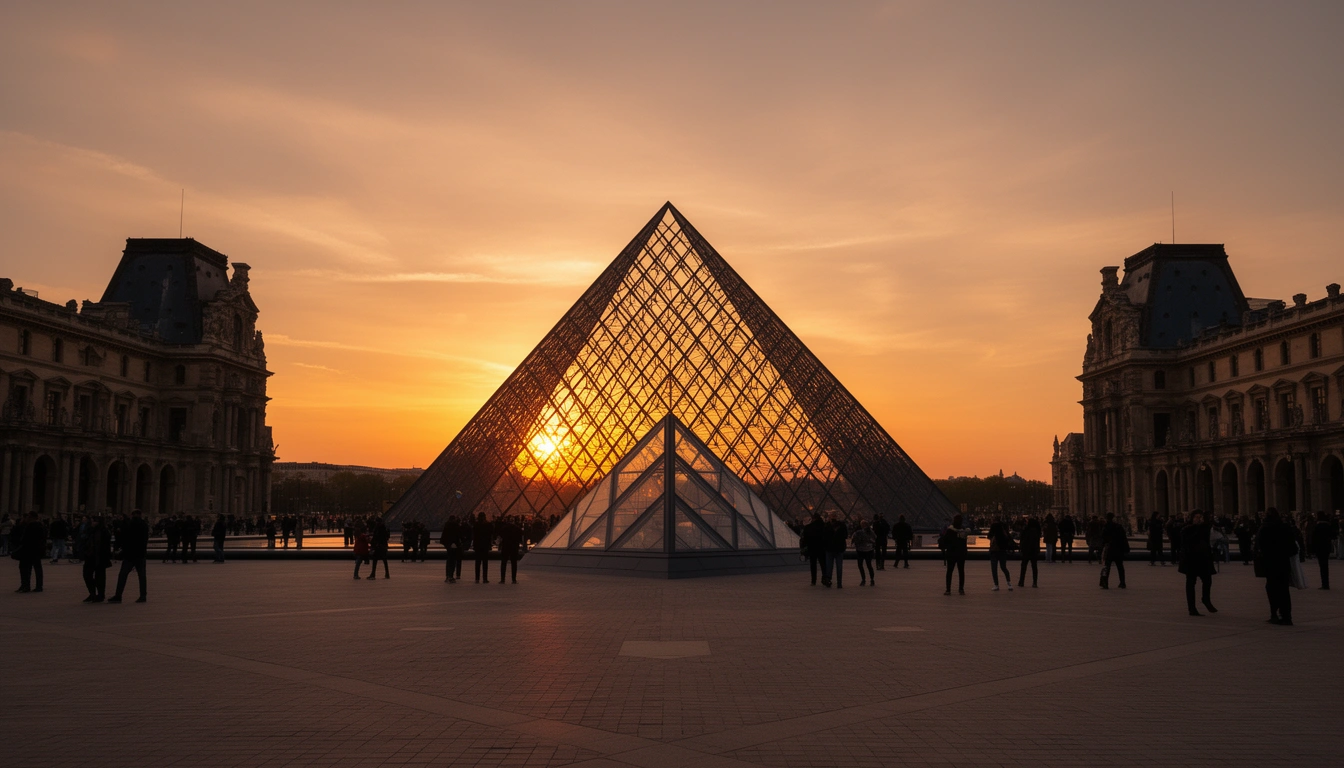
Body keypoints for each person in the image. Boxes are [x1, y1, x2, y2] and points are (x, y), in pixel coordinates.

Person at [1256, 508, 1298, 625]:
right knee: (1284, 590)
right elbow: (1293, 548)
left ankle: (1274, 614)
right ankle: (1286, 616)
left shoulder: (1264, 528)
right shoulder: (1285, 527)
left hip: (1270, 564)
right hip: (1283, 563)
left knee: (1271, 589)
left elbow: (1259, 547)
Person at [1179, 511, 1217, 616]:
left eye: (1200, 517)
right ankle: (1192, 607)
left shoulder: (1204, 528)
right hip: (1191, 559)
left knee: (1207, 580)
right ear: (1191, 518)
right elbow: (1185, 542)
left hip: (1203, 559)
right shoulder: (1186, 529)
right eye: (1196, 517)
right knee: (1191, 583)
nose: (1198, 519)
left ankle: (1206, 599)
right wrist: (1196, 528)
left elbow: (1209, 527)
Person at [109, 509, 149, 603]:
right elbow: (145, 540)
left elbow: (124, 538)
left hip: (129, 555)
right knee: (142, 576)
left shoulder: (129, 524)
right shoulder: (144, 525)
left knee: (122, 575)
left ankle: (118, 595)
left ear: (132, 515)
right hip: (140, 554)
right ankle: (143, 596)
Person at [13, 511, 45, 593]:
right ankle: (39, 586)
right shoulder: (41, 526)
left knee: (25, 568)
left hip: (28, 550)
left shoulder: (30, 526)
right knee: (37, 568)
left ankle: (25, 585)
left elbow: (25, 539)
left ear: (31, 517)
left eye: (28, 516)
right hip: (37, 550)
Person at [82, 516, 112, 602]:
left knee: (100, 577)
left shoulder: (104, 531)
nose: (93, 523)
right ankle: (92, 593)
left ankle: (100, 594)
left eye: (94, 521)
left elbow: (105, 546)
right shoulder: (90, 530)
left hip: (100, 557)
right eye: (92, 521)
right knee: (87, 575)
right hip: (90, 556)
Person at [1099, 513, 1128, 589]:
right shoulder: (1118, 526)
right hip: (1118, 548)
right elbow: (1123, 538)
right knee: (1120, 566)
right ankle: (1122, 582)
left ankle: (1105, 583)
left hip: (1109, 549)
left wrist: (1102, 548)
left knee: (1106, 567)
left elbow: (1103, 538)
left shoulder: (1106, 527)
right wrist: (1125, 548)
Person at [942, 515, 969, 595]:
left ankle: (948, 589)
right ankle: (961, 589)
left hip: (951, 553)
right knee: (961, 571)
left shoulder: (950, 530)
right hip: (961, 553)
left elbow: (945, 541)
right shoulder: (963, 531)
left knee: (949, 571)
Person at [1311, 511, 1337, 589]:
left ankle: (1324, 584)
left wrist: (1313, 549)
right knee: (1325, 565)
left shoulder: (1317, 526)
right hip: (1327, 547)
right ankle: (1326, 583)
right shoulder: (1328, 525)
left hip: (1319, 547)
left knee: (1322, 566)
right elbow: (1333, 535)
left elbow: (1314, 538)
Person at [987, 516, 1014, 591]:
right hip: (1002, 550)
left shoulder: (993, 528)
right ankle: (1009, 583)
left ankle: (996, 585)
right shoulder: (1003, 528)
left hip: (994, 550)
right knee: (1003, 567)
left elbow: (989, 536)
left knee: (994, 569)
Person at [802, 513, 827, 586]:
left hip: (812, 548)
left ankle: (813, 581)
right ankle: (824, 578)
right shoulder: (824, 526)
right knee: (823, 564)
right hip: (822, 548)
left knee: (813, 564)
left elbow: (805, 539)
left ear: (813, 519)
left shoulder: (808, 527)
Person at [824, 515, 848, 588]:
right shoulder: (842, 526)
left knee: (829, 566)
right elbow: (845, 536)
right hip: (839, 549)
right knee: (839, 566)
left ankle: (828, 580)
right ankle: (839, 582)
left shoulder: (827, 526)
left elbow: (824, 537)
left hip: (829, 548)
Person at [1018, 515, 1042, 588]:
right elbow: (1037, 542)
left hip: (1026, 551)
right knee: (1034, 567)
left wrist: (1021, 548)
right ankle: (1034, 582)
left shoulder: (1026, 530)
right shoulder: (1036, 532)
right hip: (1034, 551)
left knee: (1023, 566)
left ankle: (1021, 581)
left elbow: (1022, 540)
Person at [498, 518, 523, 584]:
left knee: (504, 562)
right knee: (514, 563)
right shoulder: (517, 529)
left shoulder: (504, 528)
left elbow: (500, 536)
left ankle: (502, 579)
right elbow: (520, 538)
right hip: (514, 547)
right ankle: (513, 579)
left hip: (505, 546)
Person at [440, 515, 465, 583]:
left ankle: (447, 576)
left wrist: (446, 544)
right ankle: (451, 576)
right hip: (455, 545)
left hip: (448, 545)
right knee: (453, 561)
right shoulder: (456, 526)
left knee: (449, 560)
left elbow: (443, 537)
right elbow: (459, 535)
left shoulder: (446, 526)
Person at [472, 513, 494, 583]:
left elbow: (474, 535)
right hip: (485, 545)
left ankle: (477, 578)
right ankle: (485, 578)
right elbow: (491, 534)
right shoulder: (488, 525)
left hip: (478, 545)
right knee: (485, 563)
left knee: (477, 563)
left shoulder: (476, 525)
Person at [852, 520, 876, 586]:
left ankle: (863, 579)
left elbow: (854, 539)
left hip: (860, 550)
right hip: (869, 550)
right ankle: (872, 579)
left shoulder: (858, 532)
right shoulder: (871, 532)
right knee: (869, 565)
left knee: (860, 565)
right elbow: (874, 540)